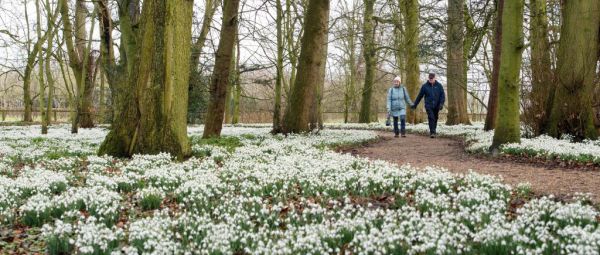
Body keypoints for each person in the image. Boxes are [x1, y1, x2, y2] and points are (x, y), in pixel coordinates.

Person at [411, 73, 445, 138]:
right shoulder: (425, 86)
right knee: (431, 117)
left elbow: (442, 96)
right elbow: (419, 96)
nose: (431, 80)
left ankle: (433, 130)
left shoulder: (439, 86)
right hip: (428, 105)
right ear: (428, 78)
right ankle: (432, 132)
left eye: (432, 78)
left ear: (435, 78)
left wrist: (441, 104)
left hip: (437, 105)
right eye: (430, 78)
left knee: (435, 118)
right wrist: (415, 104)